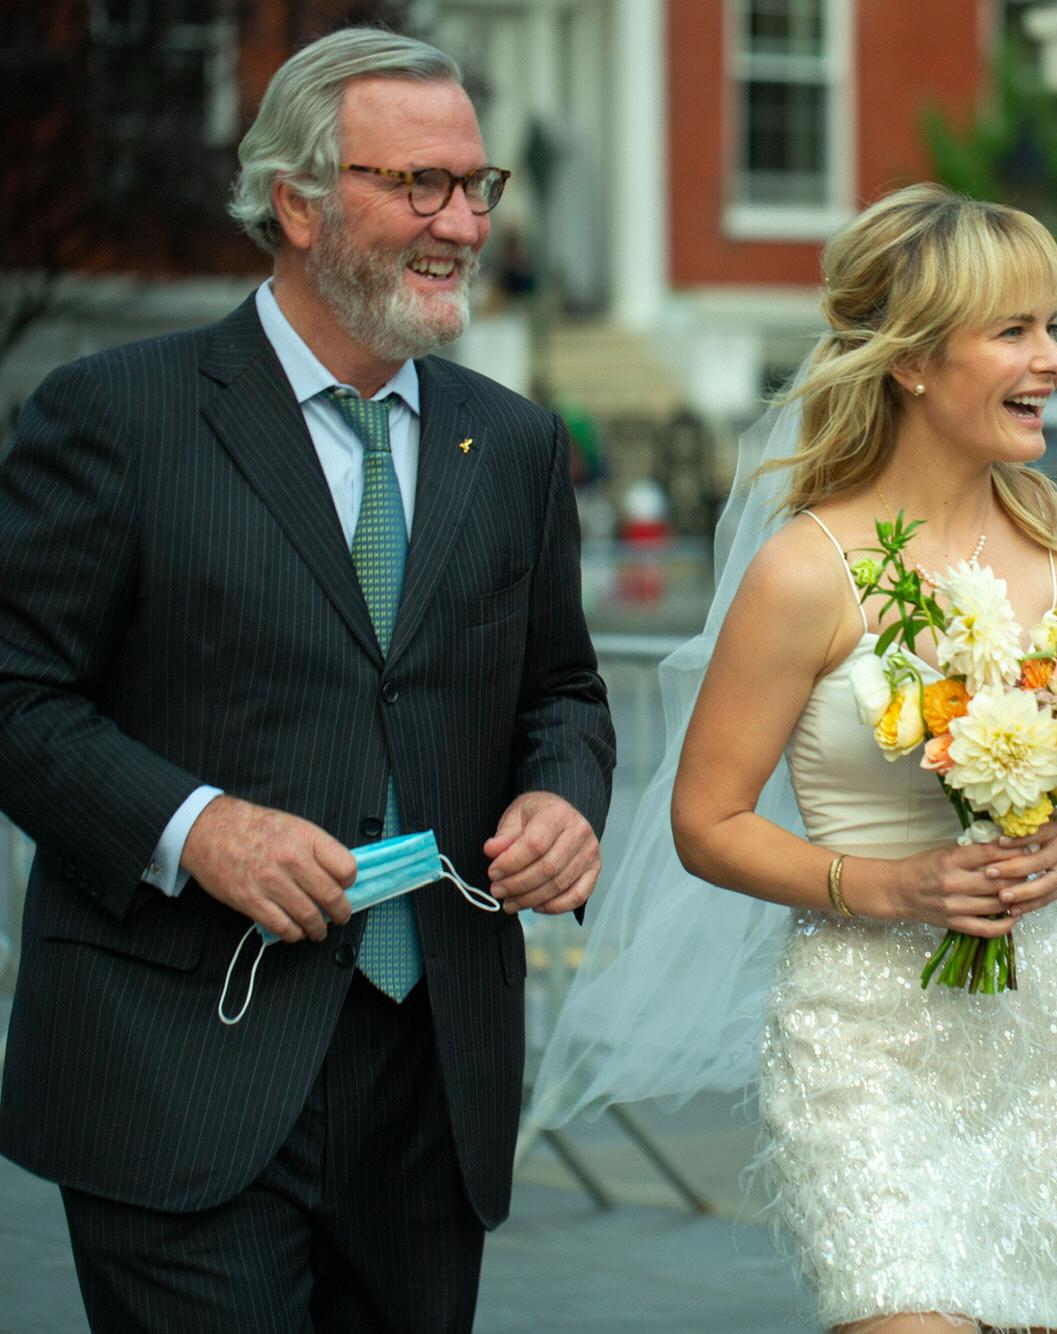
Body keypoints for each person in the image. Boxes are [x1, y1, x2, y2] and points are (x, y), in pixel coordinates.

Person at [0, 28, 615, 1331]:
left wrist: (565, 798)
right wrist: (195, 826)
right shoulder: (113, 414)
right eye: (420, 186)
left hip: (432, 1078)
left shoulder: (509, 443)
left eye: (477, 185)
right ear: (295, 200)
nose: (461, 222)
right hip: (181, 1074)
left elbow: (561, 691)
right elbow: (15, 695)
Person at [532, 183, 1057, 1333]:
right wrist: (890, 883)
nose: (1051, 359)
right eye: (1013, 330)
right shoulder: (806, 571)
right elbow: (704, 821)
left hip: (1046, 1028)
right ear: (912, 362)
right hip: (866, 1035)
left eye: (1053, 325)